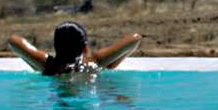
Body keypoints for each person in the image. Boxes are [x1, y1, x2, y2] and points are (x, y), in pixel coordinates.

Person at [8, 22, 142, 75]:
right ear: (85, 46)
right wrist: (109, 64)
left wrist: (36, 61)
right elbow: (135, 39)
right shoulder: (93, 63)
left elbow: (13, 41)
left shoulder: (48, 65)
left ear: (56, 46)